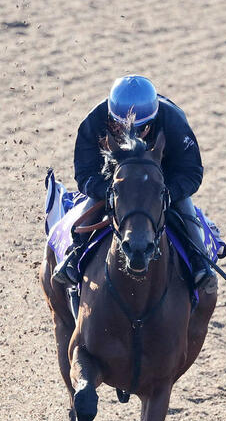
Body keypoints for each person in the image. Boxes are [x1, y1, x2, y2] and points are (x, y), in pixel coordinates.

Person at [53, 75, 216, 291]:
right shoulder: (93, 122)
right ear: (111, 116)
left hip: (161, 186)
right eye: (121, 126)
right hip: (115, 186)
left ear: (154, 118)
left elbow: (191, 172)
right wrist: (109, 191)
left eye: (142, 127)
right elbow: (84, 174)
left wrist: (169, 193)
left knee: (186, 209)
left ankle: (201, 264)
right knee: (89, 205)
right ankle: (73, 257)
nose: (133, 133)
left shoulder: (173, 120)